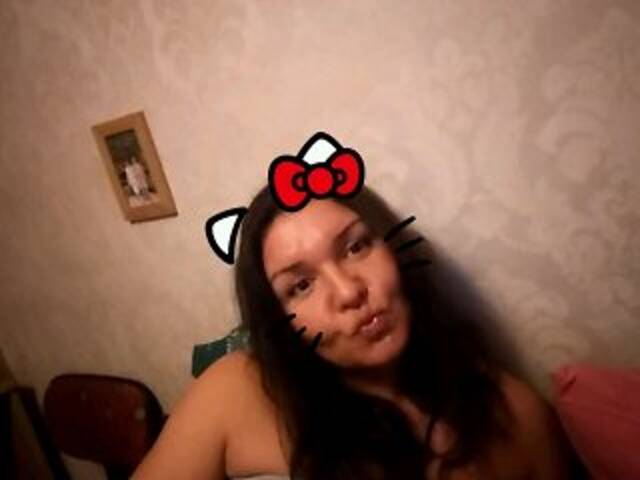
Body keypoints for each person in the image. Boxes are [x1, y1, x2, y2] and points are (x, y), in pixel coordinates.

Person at [133, 185, 586, 480]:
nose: (349, 291)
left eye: (356, 246)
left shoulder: (516, 413)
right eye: (301, 286)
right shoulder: (232, 392)